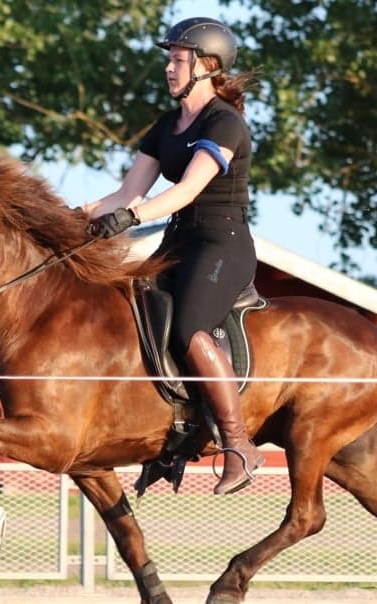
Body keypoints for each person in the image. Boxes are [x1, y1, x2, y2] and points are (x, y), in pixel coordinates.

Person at [83, 17, 263, 495]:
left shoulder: (224, 121)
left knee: (187, 329)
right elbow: (124, 193)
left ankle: (239, 444)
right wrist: (64, 217)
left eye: (177, 60)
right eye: (169, 59)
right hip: (179, 243)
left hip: (221, 245)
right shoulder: (167, 125)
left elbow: (187, 190)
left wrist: (133, 217)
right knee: (128, 309)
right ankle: (172, 438)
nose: (168, 68)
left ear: (205, 67)